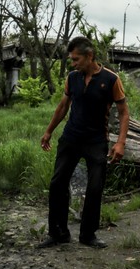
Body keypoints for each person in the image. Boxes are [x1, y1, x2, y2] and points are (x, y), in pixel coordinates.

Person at [38, 36, 129, 249]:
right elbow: (63, 106)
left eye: (76, 59)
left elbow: (124, 113)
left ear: (89, 56)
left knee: (95, 187)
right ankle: (58, 233)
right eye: (72, 59)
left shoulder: (112, 79)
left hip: (96, 140)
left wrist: (121, 143)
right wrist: (48, 131)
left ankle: (88, 235)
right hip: (71, 137)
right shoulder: (72, 78)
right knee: (57, 183)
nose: (73, 63)